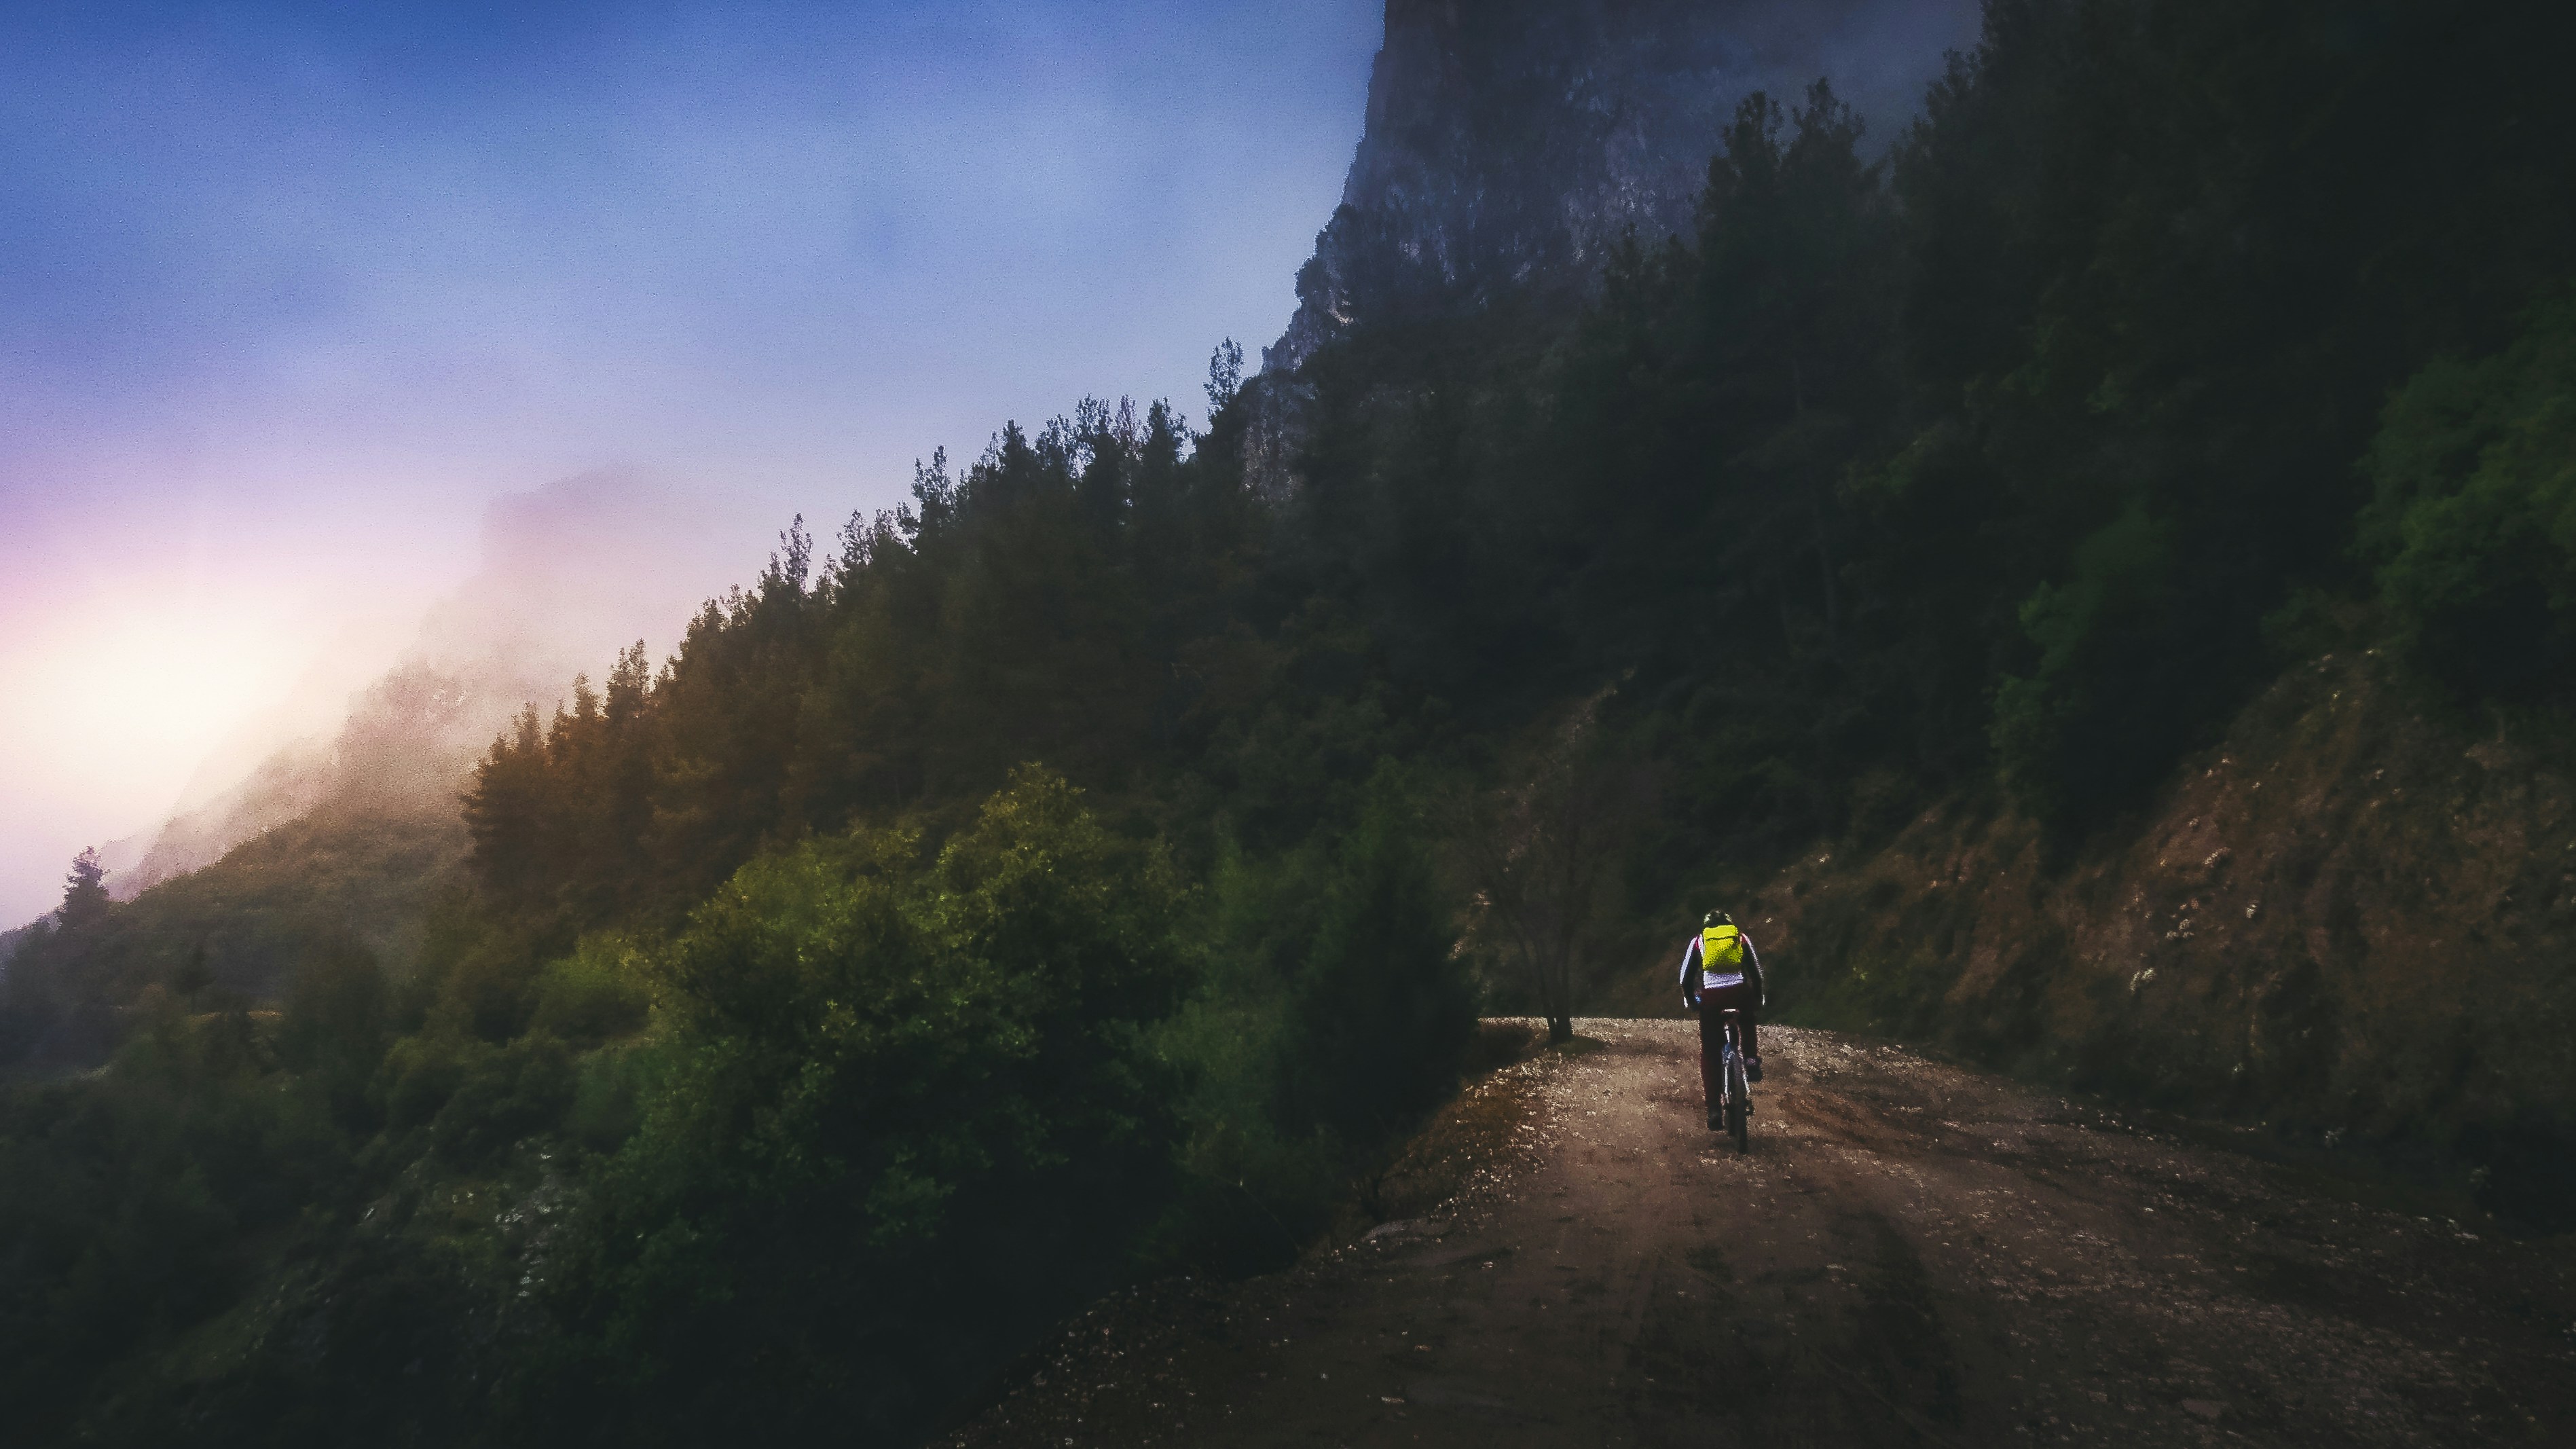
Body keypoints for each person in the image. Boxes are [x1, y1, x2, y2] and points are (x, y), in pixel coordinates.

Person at [1678, 909, 1764, 1129]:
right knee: (1747, 1021)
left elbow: (1685, 979)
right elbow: (1756, 973)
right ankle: (1752, 1062)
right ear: (1729, 924)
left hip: (1712, 999)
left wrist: (1692, 1002)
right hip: (1739, 993)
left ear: (1707, 926)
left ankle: (1714, 1109)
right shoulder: (1740, 938)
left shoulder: (1699, 942)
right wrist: (1757, 997)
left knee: (1709, 1051)